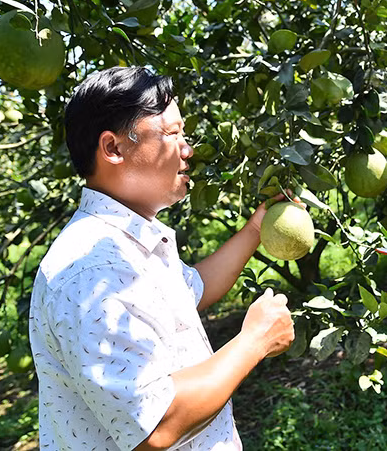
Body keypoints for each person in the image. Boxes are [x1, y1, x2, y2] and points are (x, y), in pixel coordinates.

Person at [29, 66, 295, 451]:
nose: (187, 149)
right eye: (171, 133)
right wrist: (255, 340)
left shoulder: (126, 243)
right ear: (114, 148)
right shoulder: (93, 271)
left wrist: (255, 230)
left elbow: (190, 292)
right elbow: (155, 426)